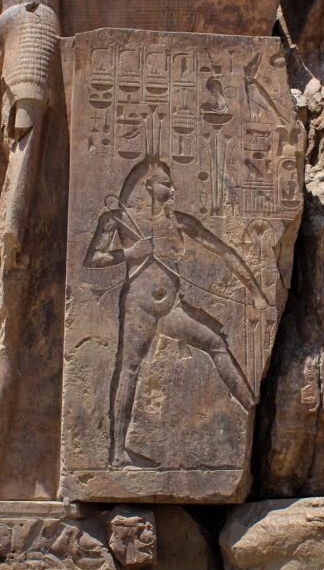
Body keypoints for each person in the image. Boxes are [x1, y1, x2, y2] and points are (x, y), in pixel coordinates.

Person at [84, 157, 268, 467]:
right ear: (148, 186)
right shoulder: (118, 219)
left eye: (172, 184)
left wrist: (256, 293)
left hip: (171, 308)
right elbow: (94, 259)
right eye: (166, 184)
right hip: (139, 306)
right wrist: (129, 252)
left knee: (216, 343)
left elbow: (223, 251)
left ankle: (253, 413)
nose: (172, 189)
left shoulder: (179, 222)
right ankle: (116, 453)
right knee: (129, 370)